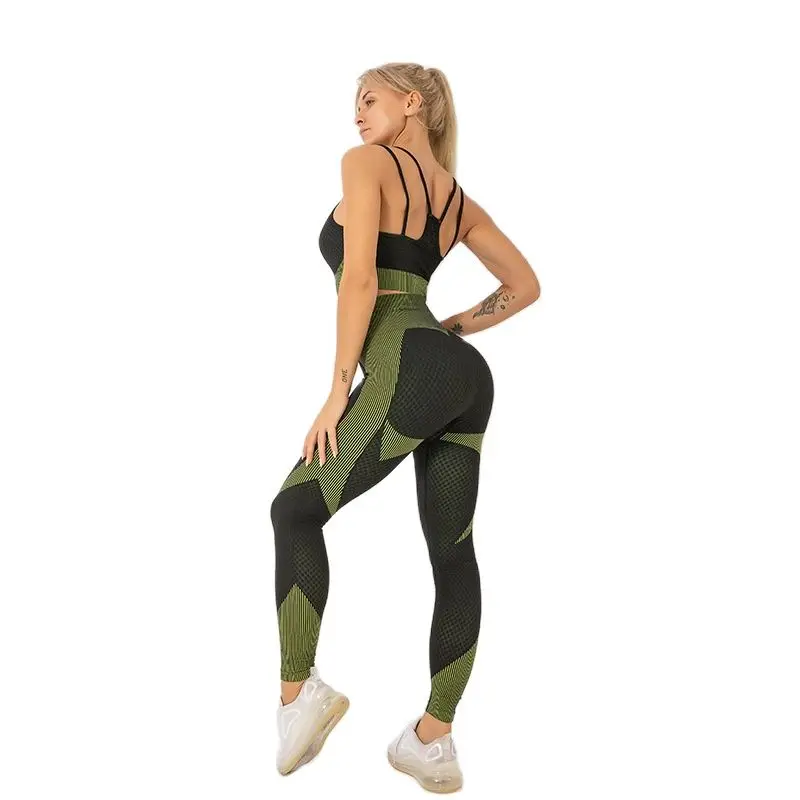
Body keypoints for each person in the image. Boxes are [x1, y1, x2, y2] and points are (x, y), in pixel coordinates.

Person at [270, 62, 541, 791]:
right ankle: (432, 739)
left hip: (407, 365)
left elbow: (361, 279)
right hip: (462, 375)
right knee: (454, 556)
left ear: (411, 102)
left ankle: (300, 695)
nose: (357, 115)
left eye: (369, 99)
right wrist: (448, 334)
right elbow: (524, 286)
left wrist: (336, 393)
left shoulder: (366, 164)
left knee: (294, 510)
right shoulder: (457, 200)